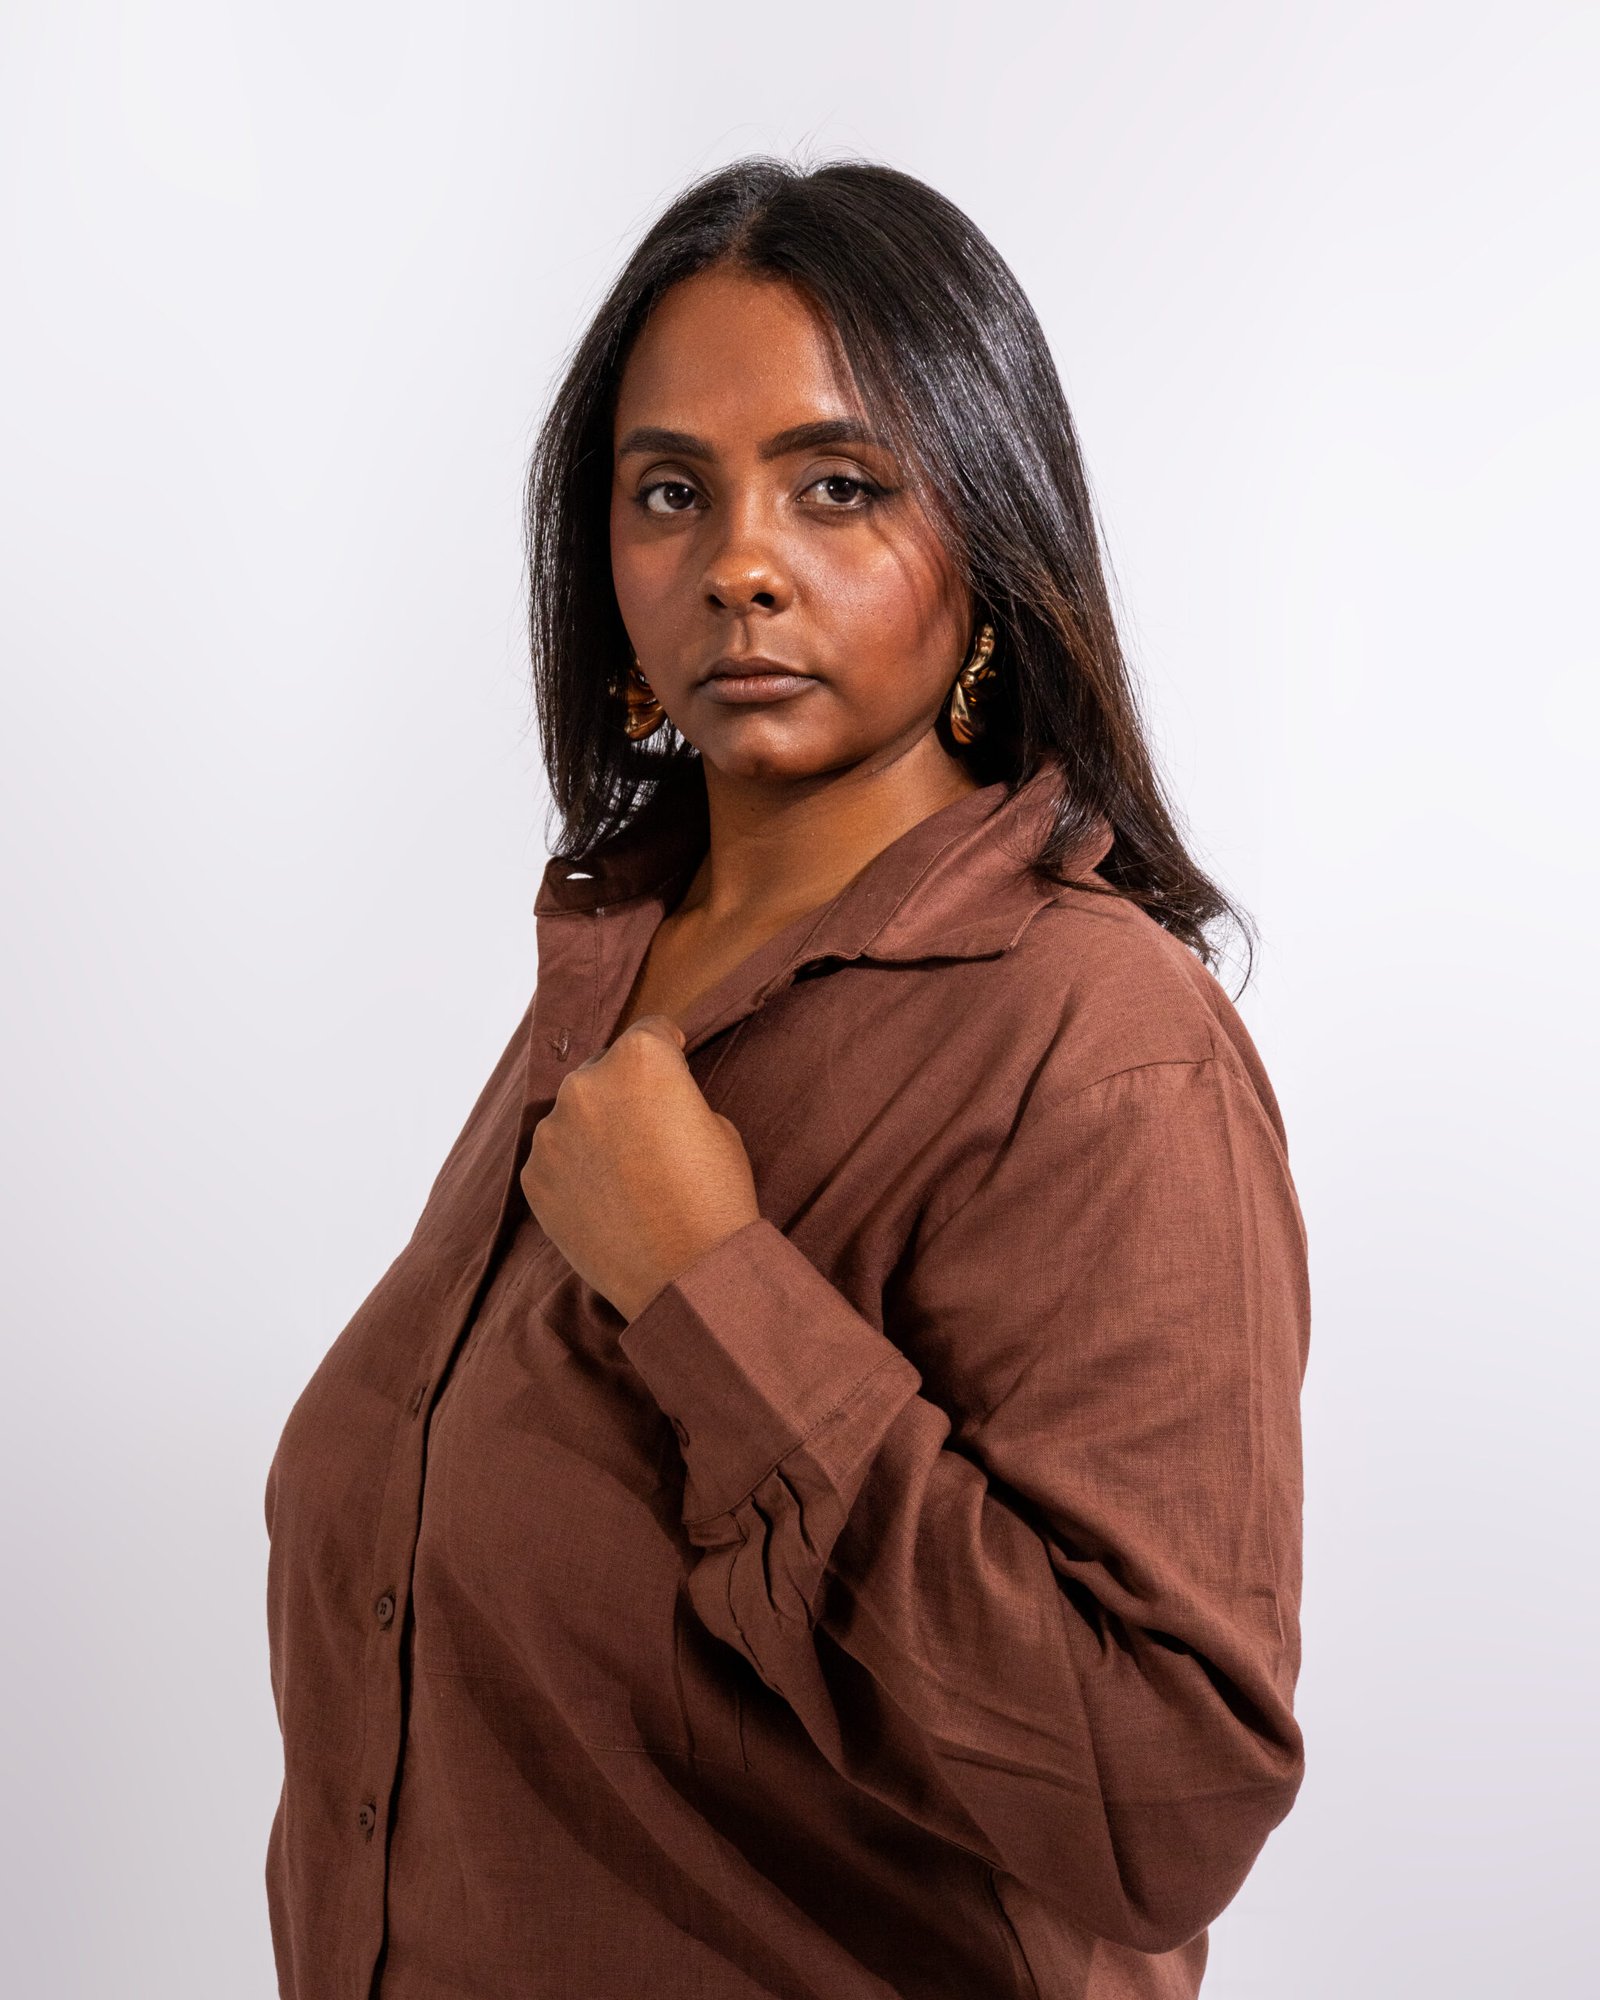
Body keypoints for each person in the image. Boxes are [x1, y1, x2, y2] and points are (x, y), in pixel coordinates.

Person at [263, 156, 1311, 2000]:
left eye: (840, 486)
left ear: (987, 532)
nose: (738, 563)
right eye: (671, 491)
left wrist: (707, 1287)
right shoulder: (610, 972)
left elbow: (1158, 1805)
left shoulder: (1099, 1044)